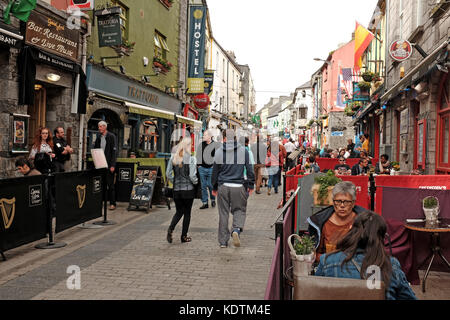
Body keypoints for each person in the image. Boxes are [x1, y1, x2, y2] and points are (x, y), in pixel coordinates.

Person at [315, 211, 417, 300]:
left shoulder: (327, 261)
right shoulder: (391, 265)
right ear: (383, 237)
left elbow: (315, 293)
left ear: (352, 231)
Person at [212, 129, 255, 248]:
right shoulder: (243, 151)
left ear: (225, 138)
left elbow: (215, 171)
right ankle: (236, 229)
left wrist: (214, 187)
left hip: (223, 186)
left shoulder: (219, 152)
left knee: (223, 213)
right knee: (239, 210)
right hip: (238, 186)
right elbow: (250, 169)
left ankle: (223, 242)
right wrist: (251, 185)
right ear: (235, 138)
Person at [307, 181, 367, 263]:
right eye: (338, 201)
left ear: (353, 203)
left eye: (346, 202)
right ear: (333, 202)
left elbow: (370, 252)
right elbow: (315, 254)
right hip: (329, 267)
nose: (342, 205)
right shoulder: (320, 222)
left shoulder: (363, 221)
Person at [166, 137, 198, 244]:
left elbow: (168, 174)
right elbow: (192, 176)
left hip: (176, 190)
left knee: (179, 212)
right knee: (187, 213)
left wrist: (174, 181)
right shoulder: (191, 159)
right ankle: (184, 236)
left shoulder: (173, 158)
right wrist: (196, 183)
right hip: (188, 190)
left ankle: (171, 228)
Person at [94, 121, 118, 210]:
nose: (99, 128)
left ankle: (112, 203)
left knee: (110, 185)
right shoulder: (98, 137)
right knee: (101, 184)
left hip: (109, 165)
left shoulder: (111, 136)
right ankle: (101, 202)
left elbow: (114, 152)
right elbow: (96, 150)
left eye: (100, 126)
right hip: (100, 164)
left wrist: (113, 165)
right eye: (98, 126)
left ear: (105, 127)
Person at [197, 130, 218, 209]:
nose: (203, 136)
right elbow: (198, 155)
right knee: (203, 186)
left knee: (210, 185)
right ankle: (205, 202)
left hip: (211, 169)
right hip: (202, 168)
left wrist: (214, 166)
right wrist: (199, 165)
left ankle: (212, 200)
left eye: (205, 135)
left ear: (209, 136)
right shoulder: (201, 145)